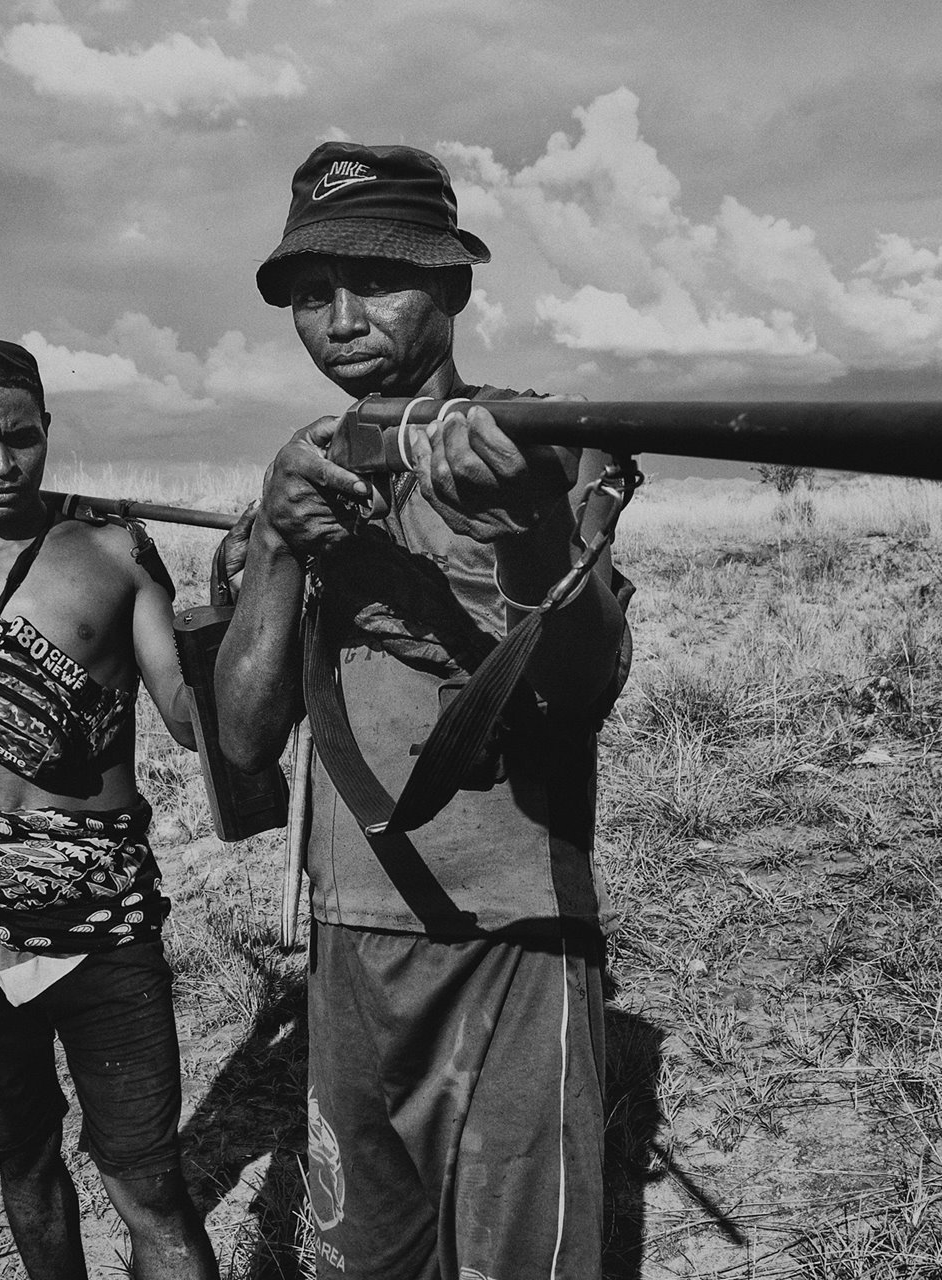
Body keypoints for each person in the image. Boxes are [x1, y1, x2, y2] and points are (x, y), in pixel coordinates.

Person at [214, 143, 630, 1280]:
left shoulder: (545, 444)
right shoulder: (299, 471)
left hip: (511, 925)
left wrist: (531, 530)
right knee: (366, 1256)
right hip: (350, 930)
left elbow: (582, 691)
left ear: (454, 287)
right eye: (311, 293)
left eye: (380, 281)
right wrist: (281, 542)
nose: (342, 316)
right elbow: (244, 741)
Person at [0, 329, 219, 1280]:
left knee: (150, 1186)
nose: (0, 463)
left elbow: (190, 720)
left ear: (48, 431)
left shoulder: (112, 557)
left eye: (21, 438)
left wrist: (249, 597)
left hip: (102, 919)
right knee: (23, 1165)